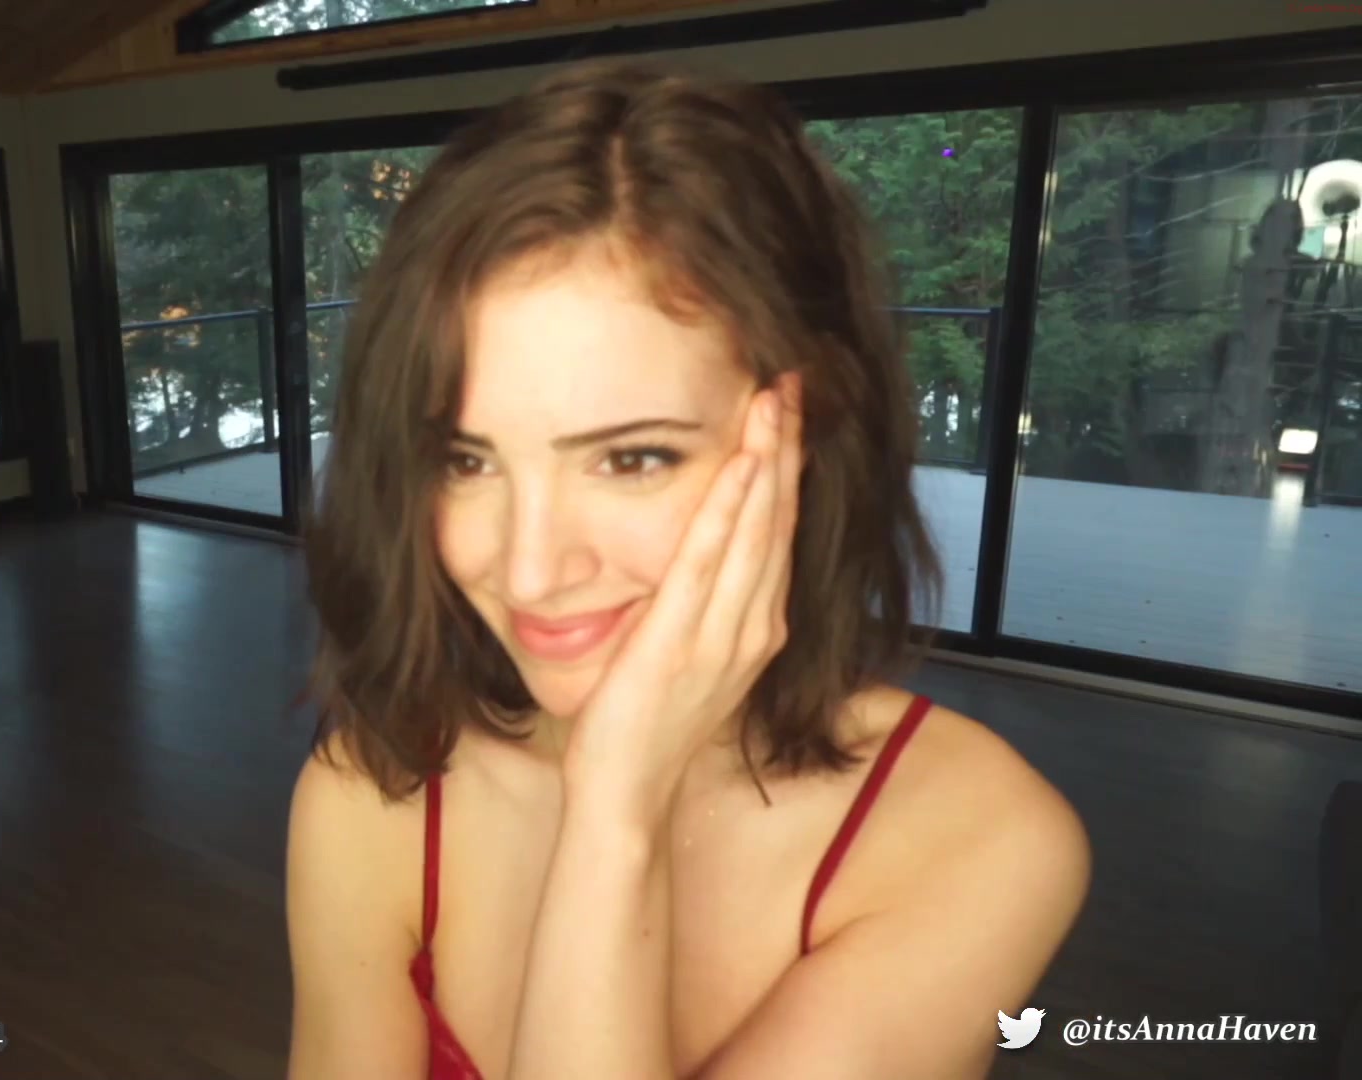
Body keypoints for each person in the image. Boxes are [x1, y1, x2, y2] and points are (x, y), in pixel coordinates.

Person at [285, 60, 1090, 1080]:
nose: (530, 572)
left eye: (631, 458)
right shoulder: (376, 791)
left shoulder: (980, 837)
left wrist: (616, 813)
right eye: (464, 460)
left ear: (808, 430)